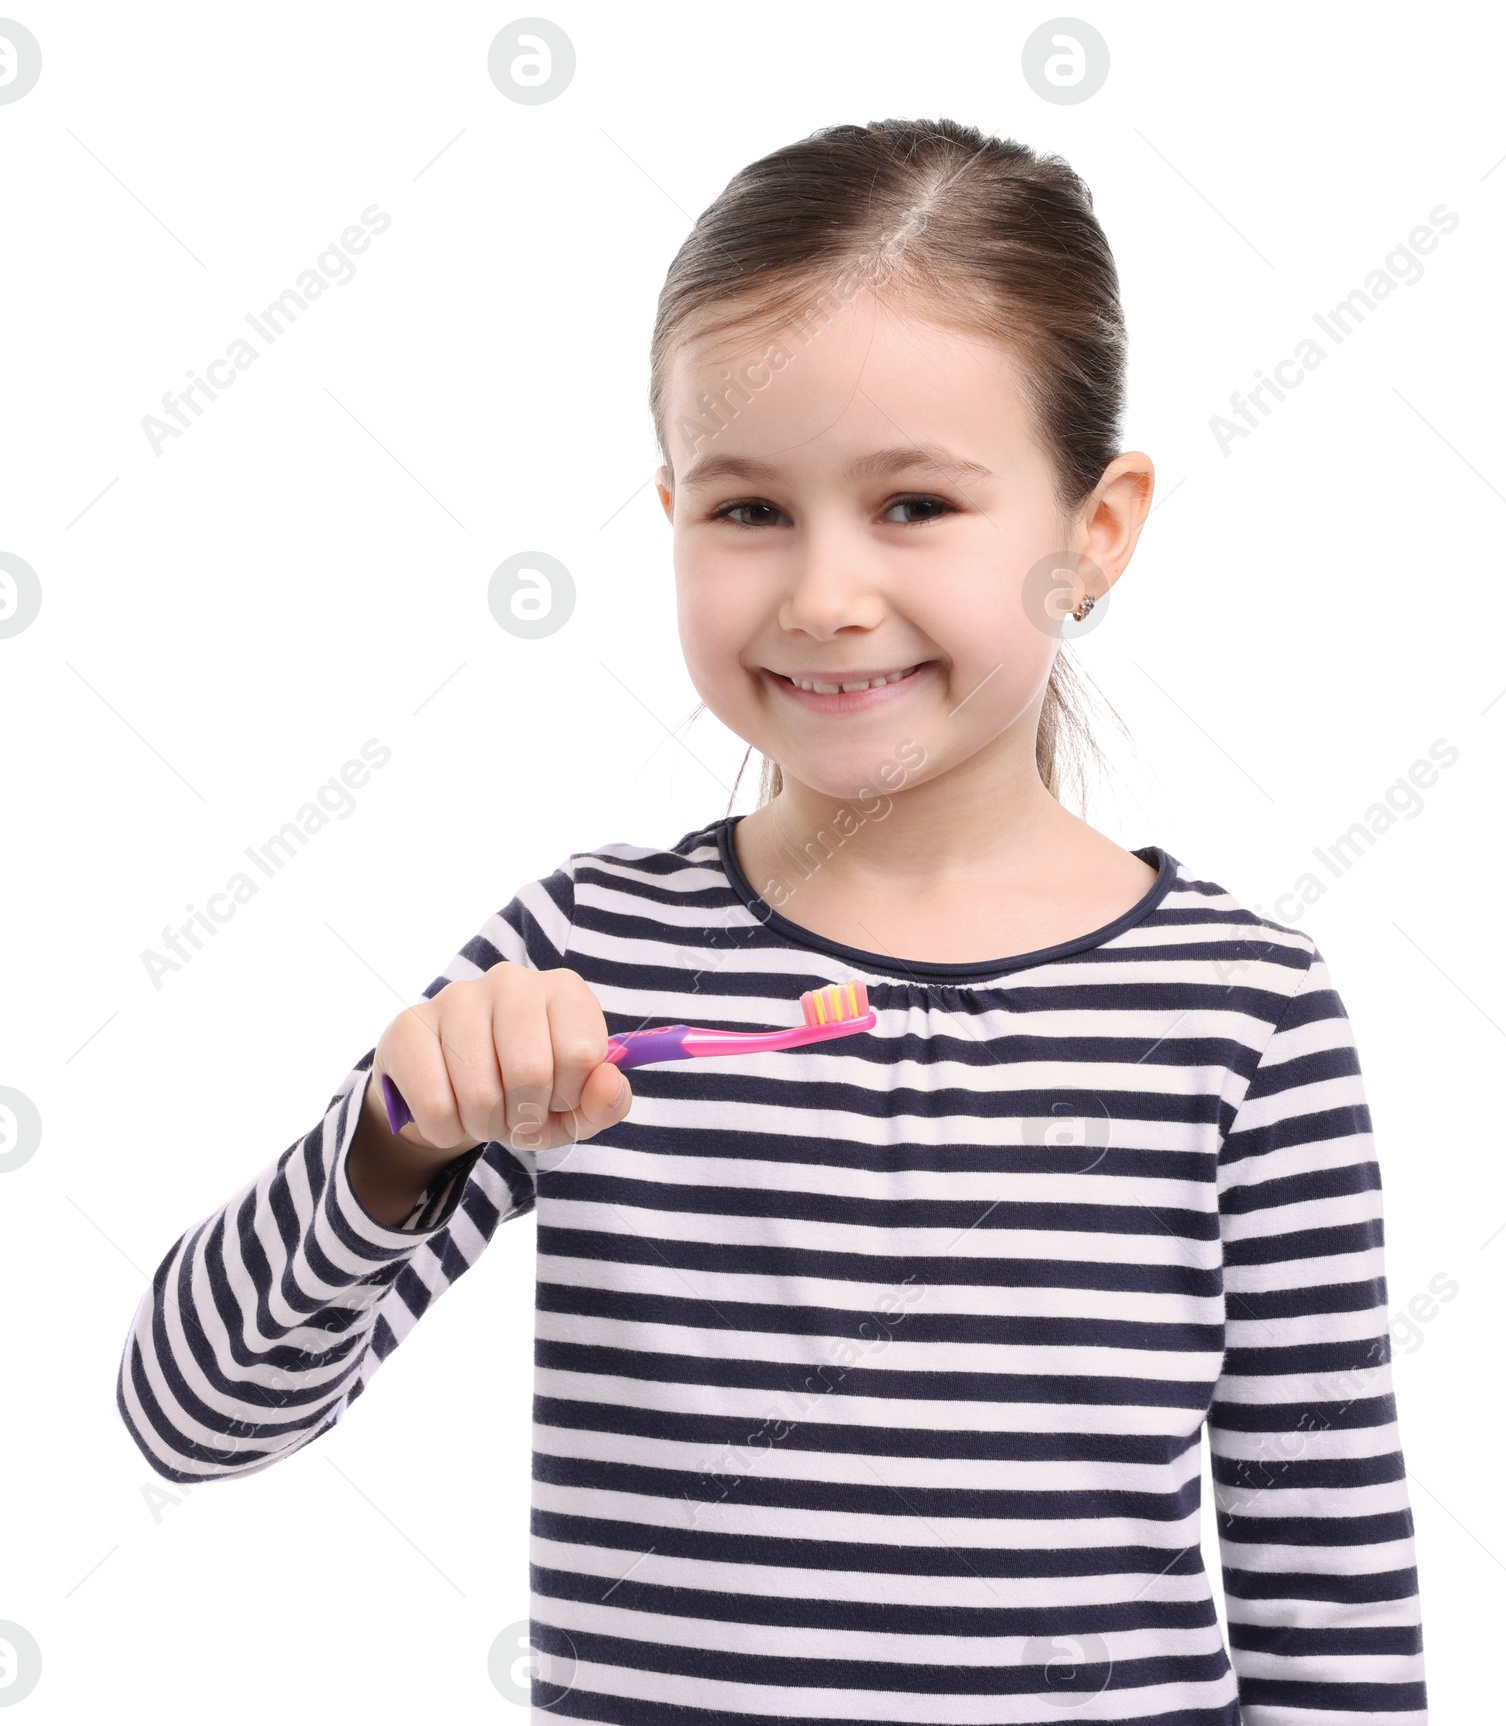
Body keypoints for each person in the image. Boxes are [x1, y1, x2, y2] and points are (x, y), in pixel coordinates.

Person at [117, 117, 1428, 1723]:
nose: (820, 594)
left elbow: (1332, 1598)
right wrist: (392, 1141)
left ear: (1095, 529)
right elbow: (192, 1419)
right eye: (746, 512)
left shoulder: (1245, 1011)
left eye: (917, 505)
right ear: (670, 511)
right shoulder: (587, 959)